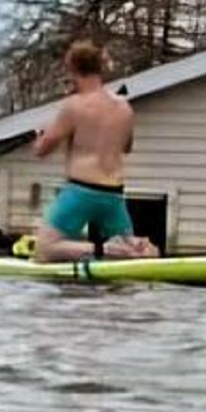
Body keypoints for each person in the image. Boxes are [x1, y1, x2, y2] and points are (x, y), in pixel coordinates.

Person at [30, 40, 158, 263]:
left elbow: (42, 150)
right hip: (114, 194)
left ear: (73, 70)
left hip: (81, 190)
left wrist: (40, 135)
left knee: (45, 249)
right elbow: (126, 147)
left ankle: (112, 250)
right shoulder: (124, 107)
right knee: (130, 253)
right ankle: (136, 248)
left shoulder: (74, 105)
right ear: (100, 69)